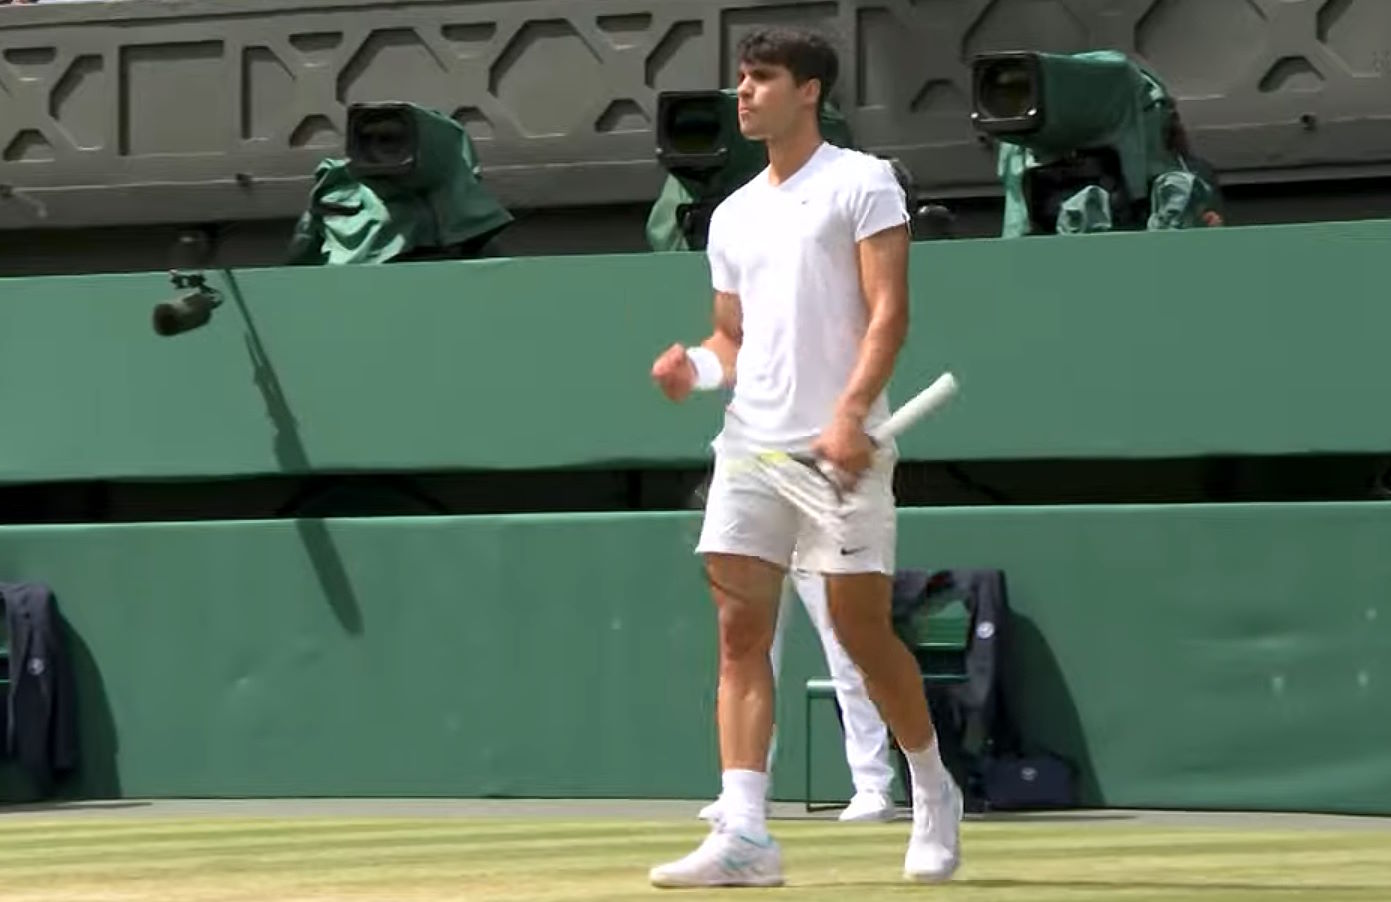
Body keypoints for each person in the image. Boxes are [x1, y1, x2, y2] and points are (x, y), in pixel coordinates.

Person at [647, 25, 962, 889]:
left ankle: (931, 788)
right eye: (741, 80)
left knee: (861, 635)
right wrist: (695, 368)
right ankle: (746, 828)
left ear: (808, 91)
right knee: (737, 633)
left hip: (839, 452)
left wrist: (852, 415)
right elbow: (731, 340)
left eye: (760, 79)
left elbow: (887, 313)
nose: (742, 93)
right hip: (750, 448)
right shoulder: (732, 212)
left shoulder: (862, 185)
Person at [695, 568, 898, 825]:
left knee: (846, 652)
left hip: (819, 537)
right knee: (746, 658)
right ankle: (743, 791)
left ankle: (873, 786)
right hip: (757, 541)